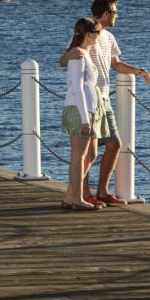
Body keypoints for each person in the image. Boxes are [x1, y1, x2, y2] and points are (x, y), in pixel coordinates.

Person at [60, 0, 150, 206]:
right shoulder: (86, 35)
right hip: (85, 102)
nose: (116, 16)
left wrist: (139, 71)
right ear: (104, 14)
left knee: (113, 144)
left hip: (102, 100)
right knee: (86, 152)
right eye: (114, 12)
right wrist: (71, 55)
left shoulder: (109, 38)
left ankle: (100, 191)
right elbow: (65, 60)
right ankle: (80, 195)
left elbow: (116, 64)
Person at [61, 16, 105, 211]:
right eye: (97, 33)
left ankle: (71, 195)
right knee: (79, 155)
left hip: (91, 108)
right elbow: (78, 88)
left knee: (91, 153)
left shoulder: (85, 52)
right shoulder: (78, 54)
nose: (99, 36)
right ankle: (77, 198)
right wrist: (85, 118)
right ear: (88, 35)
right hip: (79, 109)